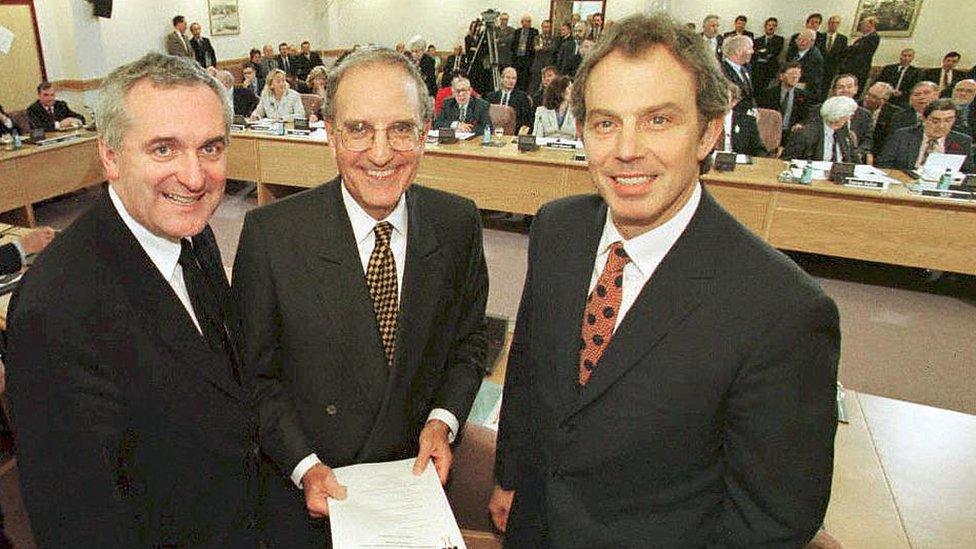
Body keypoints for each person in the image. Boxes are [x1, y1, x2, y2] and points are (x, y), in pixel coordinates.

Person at [489, 13, 839, 547]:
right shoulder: (558, 228)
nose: (627, 149)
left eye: (658, 120)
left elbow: (771, 522)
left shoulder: (784, 311)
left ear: (708, 132)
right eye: (606, 122)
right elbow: (530, 370)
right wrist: (510, 476)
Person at [233, 45, 488, 548]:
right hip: (312, 496)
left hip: (416, 497)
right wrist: (304, 466)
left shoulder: (458, 223)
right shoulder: (272, 234)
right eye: (359, 129)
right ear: (330, 135)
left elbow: (470, 343)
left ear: (424, 133)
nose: (380, 152)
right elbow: (255, 378)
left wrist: (444, 420)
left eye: (400, 128)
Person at [5, 52, 258, 548]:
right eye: (164, 149)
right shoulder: (54, 313)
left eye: (210, 148)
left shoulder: (190, 231)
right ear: (110, 156)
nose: (194, 176)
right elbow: (79, 523)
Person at [877, 98, 974, 173]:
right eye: (935, 121)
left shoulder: (962, 141)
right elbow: (883, 165)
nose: (941, 126)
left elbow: (967, 172)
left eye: (948, 121)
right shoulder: (902, 136)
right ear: (924, 119)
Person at [783, 95, 858, 162]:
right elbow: (787, 161)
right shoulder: (806, 134)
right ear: (838, 116)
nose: (849, 118)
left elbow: (854, 160)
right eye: (849, 115)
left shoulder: (844, 132)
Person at [757, 61, 810, 141]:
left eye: (797, 74)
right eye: (791, 73)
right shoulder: (768, 94)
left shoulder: (804, 96)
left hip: (791, 135)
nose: (795, 76)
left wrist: (800, 124)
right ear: (781, 76)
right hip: (770, 133)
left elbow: (806, 116)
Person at [716, 84, 767, 157]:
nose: (720, 101)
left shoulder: (747, 122)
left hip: (739, 164)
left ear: (734, 102)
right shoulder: (705, 119)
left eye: (724, 97)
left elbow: (760, 150)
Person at [860, 81, 903, 156]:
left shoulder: (895, 114)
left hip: (879, 153)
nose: (867, 98)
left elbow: (890, 141)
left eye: (873, 97)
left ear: (883, 100)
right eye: (868, 94)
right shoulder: (855, 106)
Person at [839, 16, 880, 94]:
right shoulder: (861, 38)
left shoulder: (873, 37)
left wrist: (844, 48)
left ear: (871, 25)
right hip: (851, 70)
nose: (861, 26)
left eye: (863, 24)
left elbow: (857, 50)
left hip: (859, 71)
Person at [486, 67, 533, 133]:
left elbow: (527, 121)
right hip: (494, 132)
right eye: (508, 77)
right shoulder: (491, 97)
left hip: (514, 133)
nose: (511, 81)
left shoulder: (522, 97)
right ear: (501, 79)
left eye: (514, 78)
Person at [787, 29, 825, 102]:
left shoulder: (816, 57)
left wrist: (794, 83)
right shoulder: (792, 50)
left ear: (812, 42)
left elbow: (813, 81)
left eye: (804, 40)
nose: (800, 42)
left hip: (805, 92)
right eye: (799, 39)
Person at [720, 35, 756, 112]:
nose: (752, 51)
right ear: (738, 51)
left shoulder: (744, 69)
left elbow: (749, 95)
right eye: (750, 48)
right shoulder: (721, 71)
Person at [752, 17, 784, 93]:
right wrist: (766, 52)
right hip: (758, 67)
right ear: (765, 26)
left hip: (771, 66)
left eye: (774, 25)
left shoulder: (779, 39)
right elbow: (755, 53)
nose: (771, 27)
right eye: (769, 25)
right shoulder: (757, 40)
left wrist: (762, 52)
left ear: (776, 28)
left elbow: (775, 52)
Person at [511, 14, 539, 92]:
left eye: (529, 21)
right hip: (517, 58)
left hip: (527, 59)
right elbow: (513, 45)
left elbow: (535, 45)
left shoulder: (534, 32)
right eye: (526, 21)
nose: (528, 23)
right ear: (522, 22)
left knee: (525, 78)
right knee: (516, 77)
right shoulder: (517, 31)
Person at [529, 19, 557, 93]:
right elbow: (536, 48)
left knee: (548, 85)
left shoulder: (553, 38)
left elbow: (552, 48)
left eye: (547, 27)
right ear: (541, 27)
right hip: (537, 64)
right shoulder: (537, 37)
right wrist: (546, 48)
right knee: (534, 85)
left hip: (548, 64)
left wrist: (542, 48)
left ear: (550, 28)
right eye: (544, 27)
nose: (546, 29)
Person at [822, 15, 848, 84]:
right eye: (832, 22)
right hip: (819, 68)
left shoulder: (843, 39)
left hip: (832, 70)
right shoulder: (820, 36)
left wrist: (839, 69)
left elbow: (843, 55)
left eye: (837, 23)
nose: (834, 25)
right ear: (828, 23)